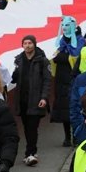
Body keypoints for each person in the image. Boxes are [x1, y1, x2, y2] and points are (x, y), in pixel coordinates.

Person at [12, 35, 52, 165]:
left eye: (30, 43)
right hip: (23, 100)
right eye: (25, 43)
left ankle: (31, 153)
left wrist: (44, 97)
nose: (27, 45)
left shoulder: (42, 61)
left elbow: (47, 80)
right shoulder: (19, 60)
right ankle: (30, 153)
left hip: (36, 99)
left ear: (34, 44)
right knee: (26, 127)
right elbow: (15, 79)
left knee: (32, 127)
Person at [50, 17, 84, 147]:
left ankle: (76, 135)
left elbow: (76, 57)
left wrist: (62, 57)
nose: (64, 28)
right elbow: (55, 57)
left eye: (67, 26)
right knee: (64, 111)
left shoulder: (80, 41)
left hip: (74, 78)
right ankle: (67, 137)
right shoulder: (61, 42)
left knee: (75, 109)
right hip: (61, 80)